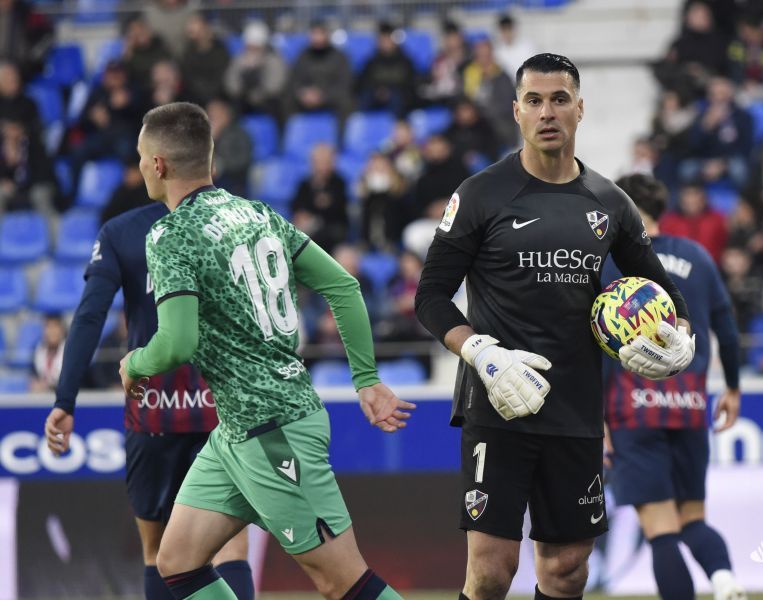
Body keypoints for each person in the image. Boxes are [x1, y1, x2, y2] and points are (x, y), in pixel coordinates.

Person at [414, 54, 695, 600]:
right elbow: (430, 296)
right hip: (499, 401)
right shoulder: (480, 194)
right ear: (516, 110)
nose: (548, 112)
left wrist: (679, 338)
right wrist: (480, 353)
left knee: (567, 569)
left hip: (575, 408)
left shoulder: (610, 203)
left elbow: (664, 289)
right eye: (535, 101)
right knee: (492, 570)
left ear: (580, 109)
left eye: (560, 99)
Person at [118, 102, 412, 600]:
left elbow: (177, 343)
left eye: (144, 156)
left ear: (159, 165)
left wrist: (135, 363)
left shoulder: (169, 234)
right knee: (177, 562)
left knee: (343, 583)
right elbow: (343, 286)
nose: (142, 165)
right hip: (236, 430)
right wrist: (365, 378)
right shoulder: (257, 213)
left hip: (273, 431)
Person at [44, 200, 254, 599]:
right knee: (231, 544)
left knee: (157, 551)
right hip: (222, 409)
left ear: (155, 163)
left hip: (154, 409)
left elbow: (91, 315)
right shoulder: (236, 219)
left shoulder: (122, 231)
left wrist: (65, 400)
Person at [603, 173, 746, 600]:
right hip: (688, 405)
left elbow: (595, 347)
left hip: (633, 409)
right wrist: (734, 388)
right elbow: (728, 329)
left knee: (661, 532)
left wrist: (598, 419)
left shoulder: (610, 261)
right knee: (694, 521)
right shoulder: (698, 257)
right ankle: (725, 581)